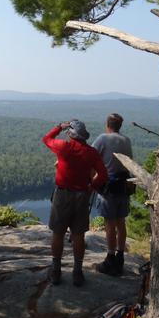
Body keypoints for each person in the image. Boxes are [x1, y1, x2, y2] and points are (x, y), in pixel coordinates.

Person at [43, 120, 108, 286]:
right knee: (78, 235)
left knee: (58, 233)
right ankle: (77, 273)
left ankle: (56, 271)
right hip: (82, 196)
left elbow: (46, 139)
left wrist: (59, 127)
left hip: (62, 195)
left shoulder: (64, 147)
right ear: (83, 136)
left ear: (71, 134)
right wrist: (91, 186)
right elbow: (103, 174)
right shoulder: (91, 152)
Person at [92, 113, 133, 276]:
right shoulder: (126, 140)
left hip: (108, 187)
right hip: (123, 187)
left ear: (107, 125)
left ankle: (110, 258)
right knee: (120, 222)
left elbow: (91, 156)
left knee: (109, 224)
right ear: (119, 126)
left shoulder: (102, 138)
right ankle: (120, 257)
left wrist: (92, 181)